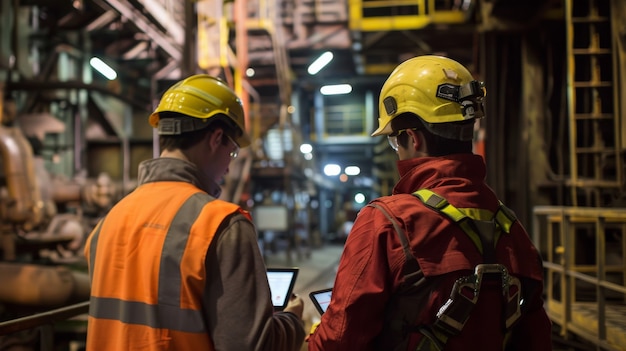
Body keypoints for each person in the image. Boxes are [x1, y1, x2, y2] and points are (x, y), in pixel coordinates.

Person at [307, 56, 552, 350]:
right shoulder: (513, 228)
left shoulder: (388, 222)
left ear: (412, 138)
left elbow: (339, 339)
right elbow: (536, 337)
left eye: (395, 141)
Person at [83, 74, 305, 351]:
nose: (229, 164)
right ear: (216, 138)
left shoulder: (109, 221)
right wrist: (292, 322)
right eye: (233, 151)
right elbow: (248, 345)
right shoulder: (222, 224)